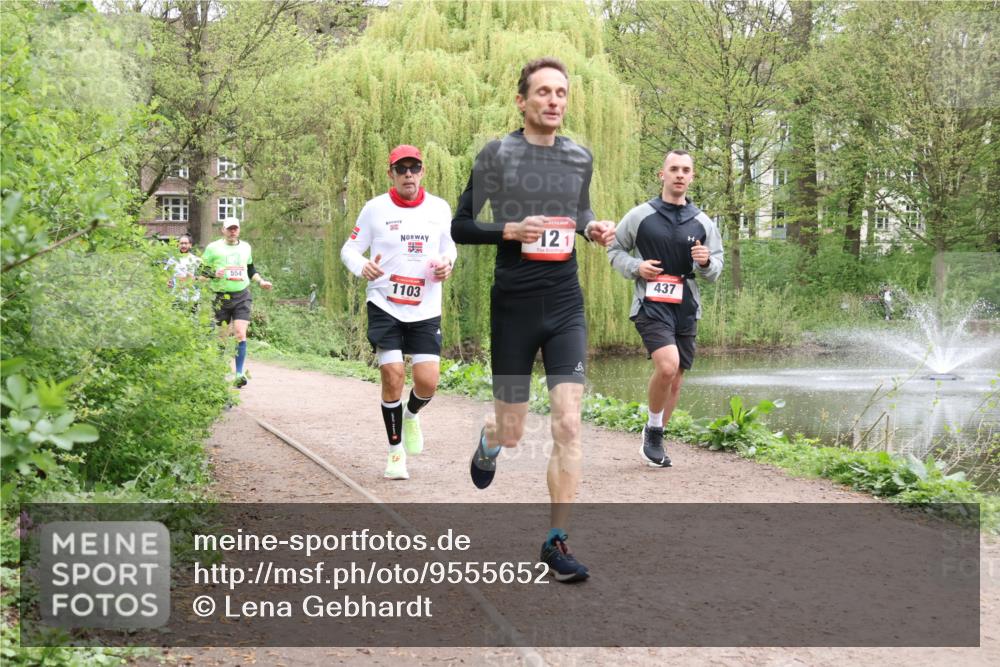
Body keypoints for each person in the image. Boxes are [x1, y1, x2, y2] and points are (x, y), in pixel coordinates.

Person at [451, 57, 616, 583]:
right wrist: (508, 231)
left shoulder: (579, 156)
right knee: (515, 428)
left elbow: (581, 210)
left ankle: (556, 540)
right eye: (543, 92)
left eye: (561, 93)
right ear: (522, 101)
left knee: (568, 422)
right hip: (515, 303)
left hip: (565, 300)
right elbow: (460, 226)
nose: (554, 101)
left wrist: (593, 228)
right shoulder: (497, 154)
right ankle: (490, 440)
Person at [341, 145, 457, 481]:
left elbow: (449, 246)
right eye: (401, 168)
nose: (408, 174)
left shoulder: (438, 208)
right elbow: (349, 249)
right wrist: (363, 265)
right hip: (384, 302)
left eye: (414, 168)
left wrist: (447, 263)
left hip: (425, 305)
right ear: (391, 173)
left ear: (422, 172)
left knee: (428, 383)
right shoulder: (375, 209)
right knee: (392, 375)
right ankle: (395, 453)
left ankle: (411, 415)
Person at [607, 150, 723, 467]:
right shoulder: (640, 215)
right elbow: (614, 249)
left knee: (676, 378)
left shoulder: (702, 222)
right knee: (668, 365)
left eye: (686, 170)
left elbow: (716, 268)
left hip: (686, 304)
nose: (680, 175)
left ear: (692, 177)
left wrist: (706, 261)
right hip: (651, 302)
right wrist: (636, 266)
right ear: (663, 175)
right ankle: (654, 433)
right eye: (674, 169)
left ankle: (655, 434)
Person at [200, 217, 272, 387]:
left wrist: (261, 281)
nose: (233, 232)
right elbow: (201, 271)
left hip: (242, 295)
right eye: (229, 229)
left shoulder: (246, 247)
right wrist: (212, 273)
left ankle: (239, 373)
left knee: (240, 333)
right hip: (221, 297)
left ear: (239, 230)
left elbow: (250, 269)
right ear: (223, 230)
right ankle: (218, 372)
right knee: (222, 337)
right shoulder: (213, 248)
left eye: (235, 229)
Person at [164, 233, 201, 307]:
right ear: (178, 245)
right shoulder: (172, 260)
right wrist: (168, 281)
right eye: (181, 243)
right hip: (176, 297)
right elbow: (165, 274)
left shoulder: (196, 260)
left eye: (186, 243)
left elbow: (207, 275)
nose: (183, 245)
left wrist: (194, 278)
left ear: (190, 245)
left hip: (192, 298)